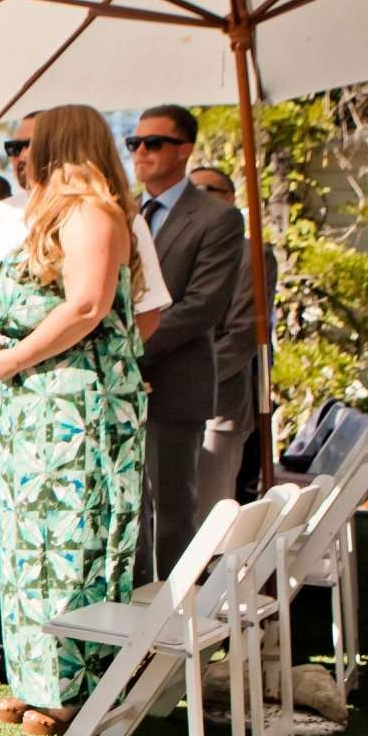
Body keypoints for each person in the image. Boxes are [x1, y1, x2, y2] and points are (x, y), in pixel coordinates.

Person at [0, 111, 170, 685]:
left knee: (73, 548)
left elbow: (88, 306)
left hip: (75, 413)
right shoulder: (55, 215)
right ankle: (39, 676)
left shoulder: (93, 212)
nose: (21, 154)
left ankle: (74, 686)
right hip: (39, 408)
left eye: (32, 144)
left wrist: (12, 360)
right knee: (34, 552)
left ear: (59, 147)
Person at [127, 103, 246, 582]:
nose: (140, 152)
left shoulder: (218, 218)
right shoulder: (121, 211)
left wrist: (126, 347)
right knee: (127, 513)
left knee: (173, 513)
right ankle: (124, 622)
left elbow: (202, 306)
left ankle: (175, 625)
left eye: (152, 143)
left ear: (184, 150)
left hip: (175, 382)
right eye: (135, 143)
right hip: (116, 386)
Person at [185, 163, 273, 510]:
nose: (199, 201)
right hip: (163, 408)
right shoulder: (174, 251)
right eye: (192, 193)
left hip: (219, 405)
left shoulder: (252, 255)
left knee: (210, 518)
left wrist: (190, 377)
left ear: (231, 199)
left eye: (209, 192)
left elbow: (243, 335)